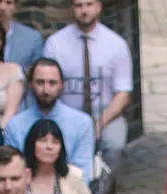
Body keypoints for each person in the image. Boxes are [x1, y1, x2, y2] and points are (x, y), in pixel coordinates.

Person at [43, 0, 135, 172]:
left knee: (113, 145)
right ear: (72, 8)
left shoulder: (116, 45)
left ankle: (104, 189)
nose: (84, 10)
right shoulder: (55, 43)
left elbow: (123, 94)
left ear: (99, 7)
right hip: (66, 115)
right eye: (79, 5)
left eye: (89, 4)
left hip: (106, 116)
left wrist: (99, 124)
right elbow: (46, 86)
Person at [5, 59, 96, 175]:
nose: (46, 90)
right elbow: (12, 171)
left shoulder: (82, 123)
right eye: (40, 82)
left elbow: (82, 172)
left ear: (62, 85)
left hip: (70, 190)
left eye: (52, 83)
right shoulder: (14, 125)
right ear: (30, 84)